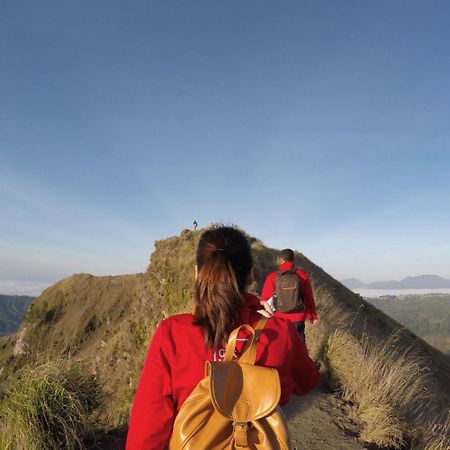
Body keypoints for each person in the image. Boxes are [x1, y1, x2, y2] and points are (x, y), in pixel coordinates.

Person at [126, 227, 320, 449]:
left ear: (198, 273)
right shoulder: (281, 331)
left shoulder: (172, 334)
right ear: (250, 275)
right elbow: (308, 382)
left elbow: (145, 436)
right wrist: (270, 322)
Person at [260, 248, 317, 342]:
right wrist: (313, 315)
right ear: (293, 259)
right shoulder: (302, 275)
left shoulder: (273, 276)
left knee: (283, 345)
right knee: (299, 346)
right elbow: (309, 296)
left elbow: (264, 300)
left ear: (281, 260)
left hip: (280, 317)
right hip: (299, 316)